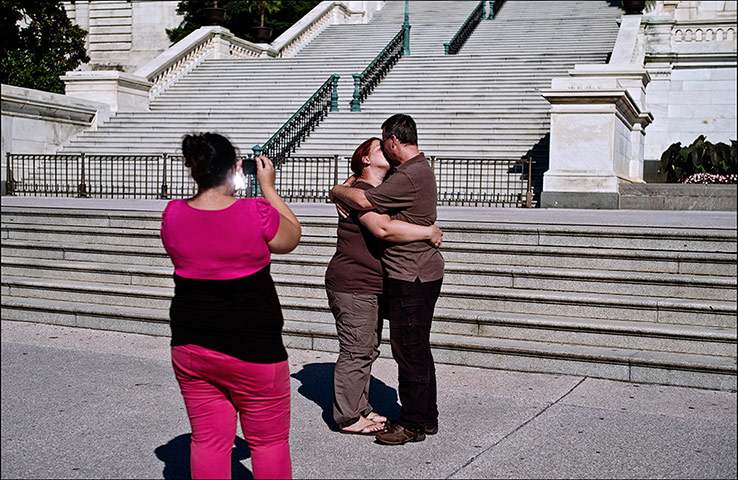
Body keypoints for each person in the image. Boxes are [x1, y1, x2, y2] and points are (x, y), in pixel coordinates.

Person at [160, 132, 301, 479]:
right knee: (268, 443)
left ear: (193, 169)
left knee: (208, 442)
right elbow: (291, 237)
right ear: (236, 168)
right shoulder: (255, 211)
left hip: (192, 346)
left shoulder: (173, 214)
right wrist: (267, 186)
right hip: (255, 350)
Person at [329, 114, 444, 446]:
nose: (384, 151)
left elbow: (380, 224)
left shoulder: (404, 177)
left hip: (412, 274)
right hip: (374, 279)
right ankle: (413, 417)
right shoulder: (391, 180)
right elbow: (380, 225)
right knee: (402, 350)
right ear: (366, 158)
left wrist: (338, 189)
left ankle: (412, 422)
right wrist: (340, 189)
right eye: (375, 148)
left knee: (409, 351)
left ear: (395, 141)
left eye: (384, 143)